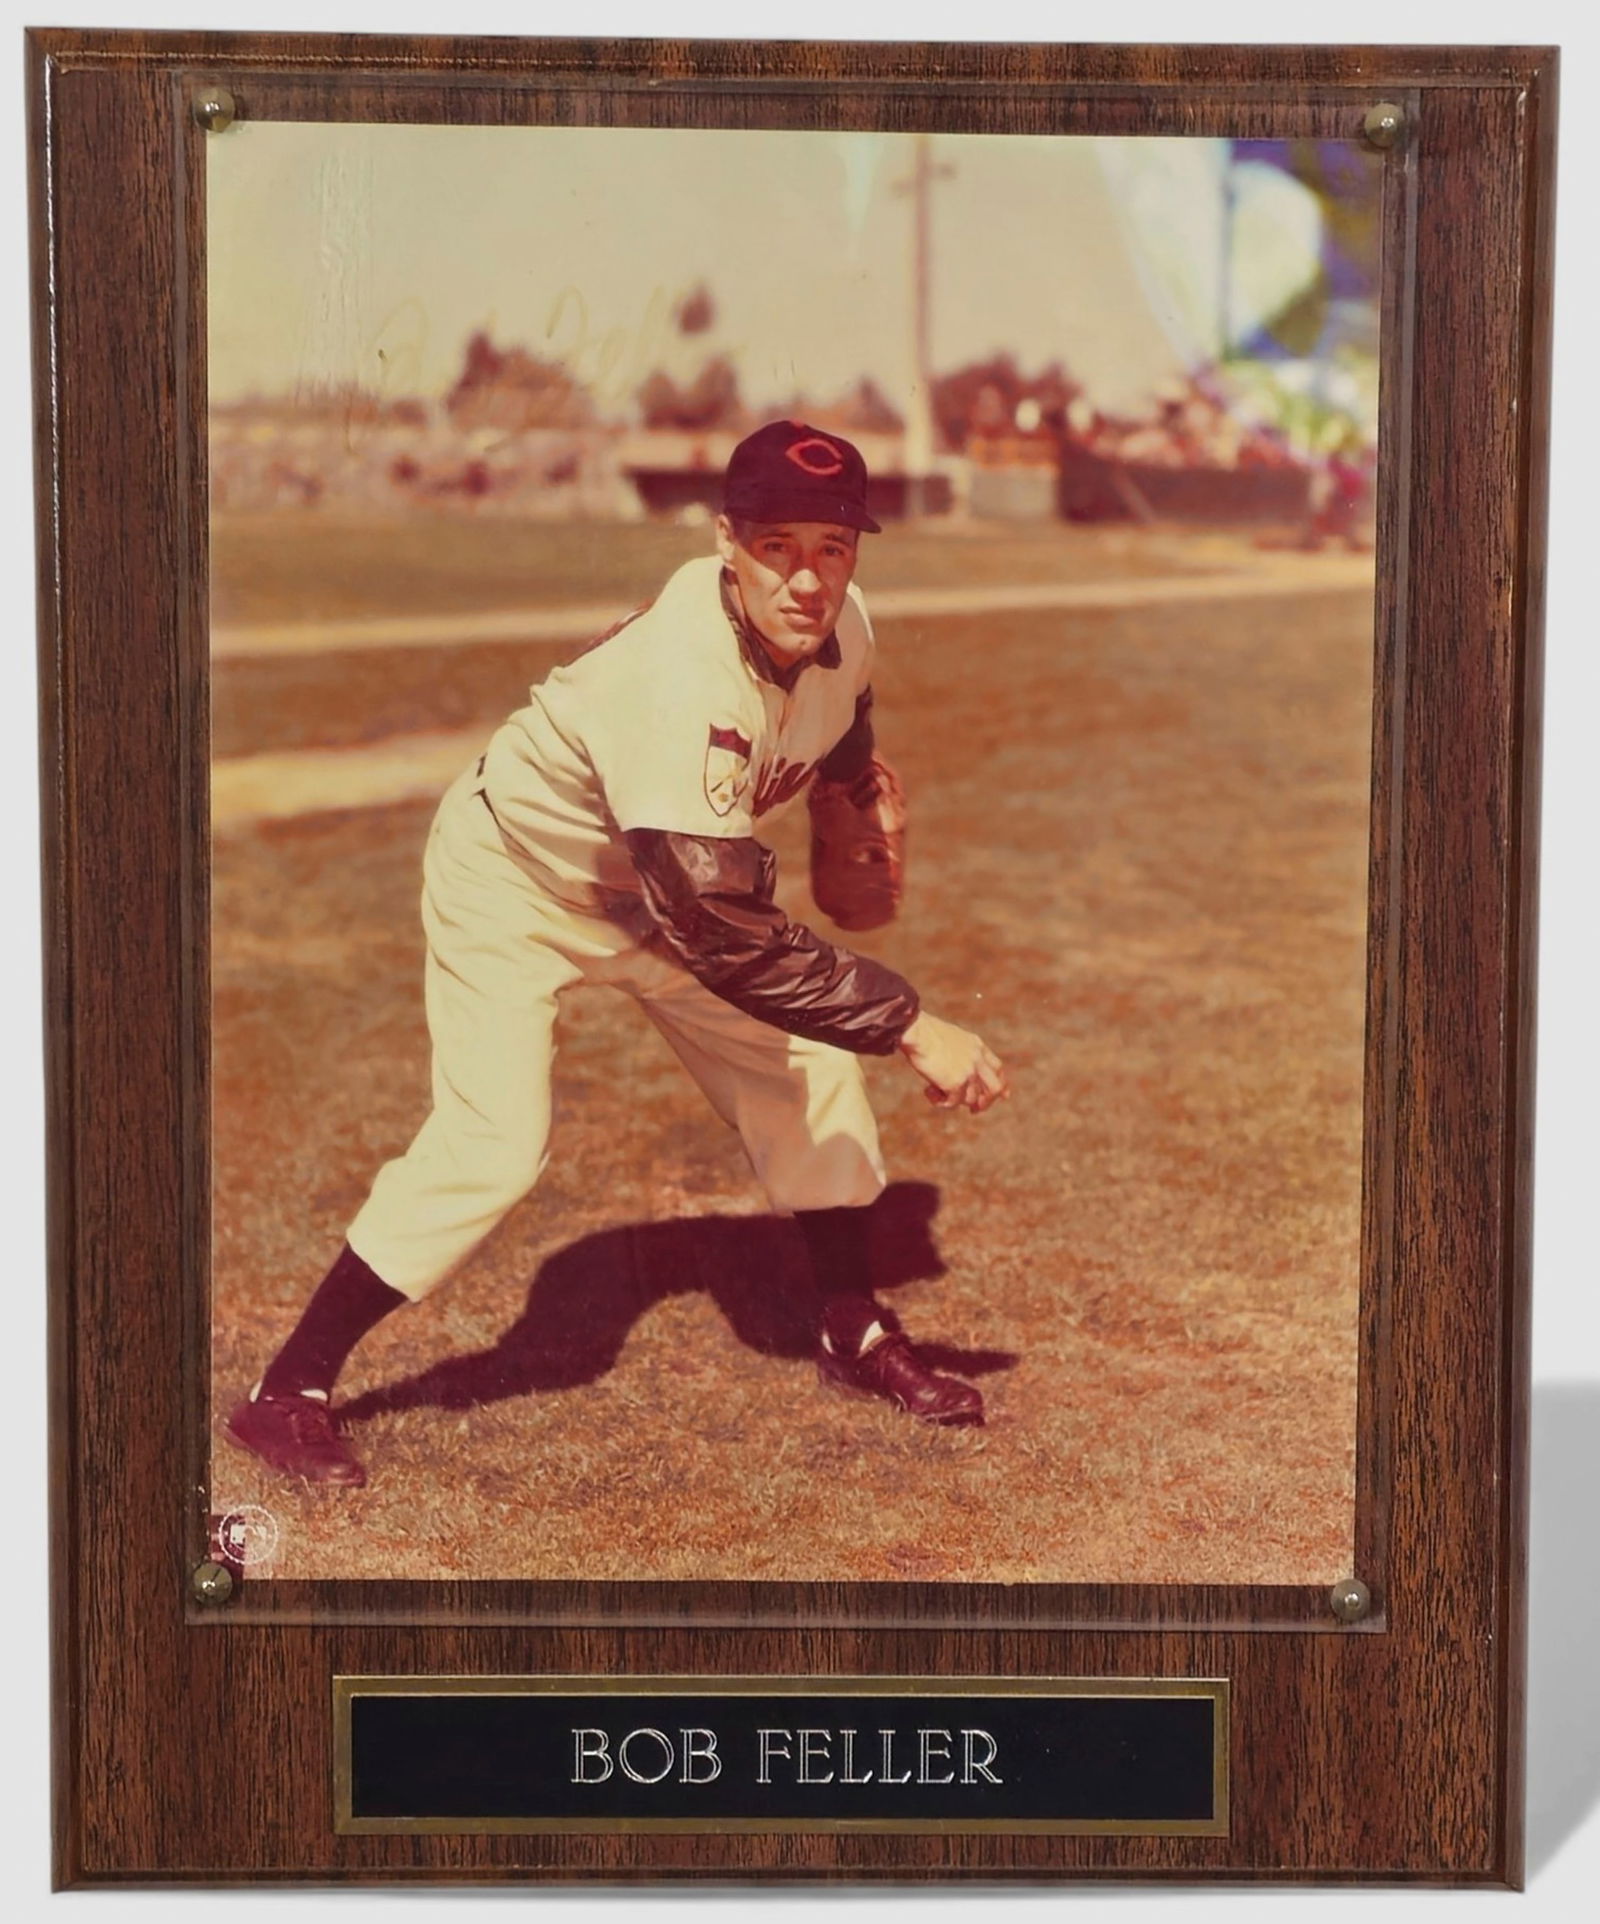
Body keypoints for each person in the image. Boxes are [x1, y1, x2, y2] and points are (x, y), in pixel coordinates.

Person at [226, 420, 1009, 1487]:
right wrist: (911, 1021)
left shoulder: (844, 622)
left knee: (811, 1073)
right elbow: (725, 935)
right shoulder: (678, 679)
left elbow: (847, 706)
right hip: (518, 879)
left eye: (832, 548)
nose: (807, 578)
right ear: (727, 540)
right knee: (494, 1143)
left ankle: (851, 1331)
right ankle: (288, 1393)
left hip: (662, 891)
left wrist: (844, 780)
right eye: (778, 545)